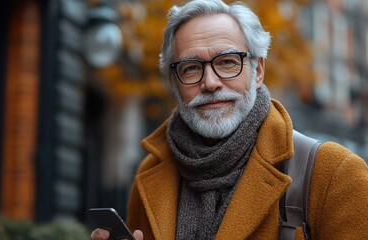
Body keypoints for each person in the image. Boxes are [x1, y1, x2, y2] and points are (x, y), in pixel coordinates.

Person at [91, 0, 368, 239]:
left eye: (227, 62)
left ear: (257, 70)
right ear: (173, 82)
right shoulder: (149, 174)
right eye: (190, 68)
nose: (210, 83)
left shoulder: (335, 174)